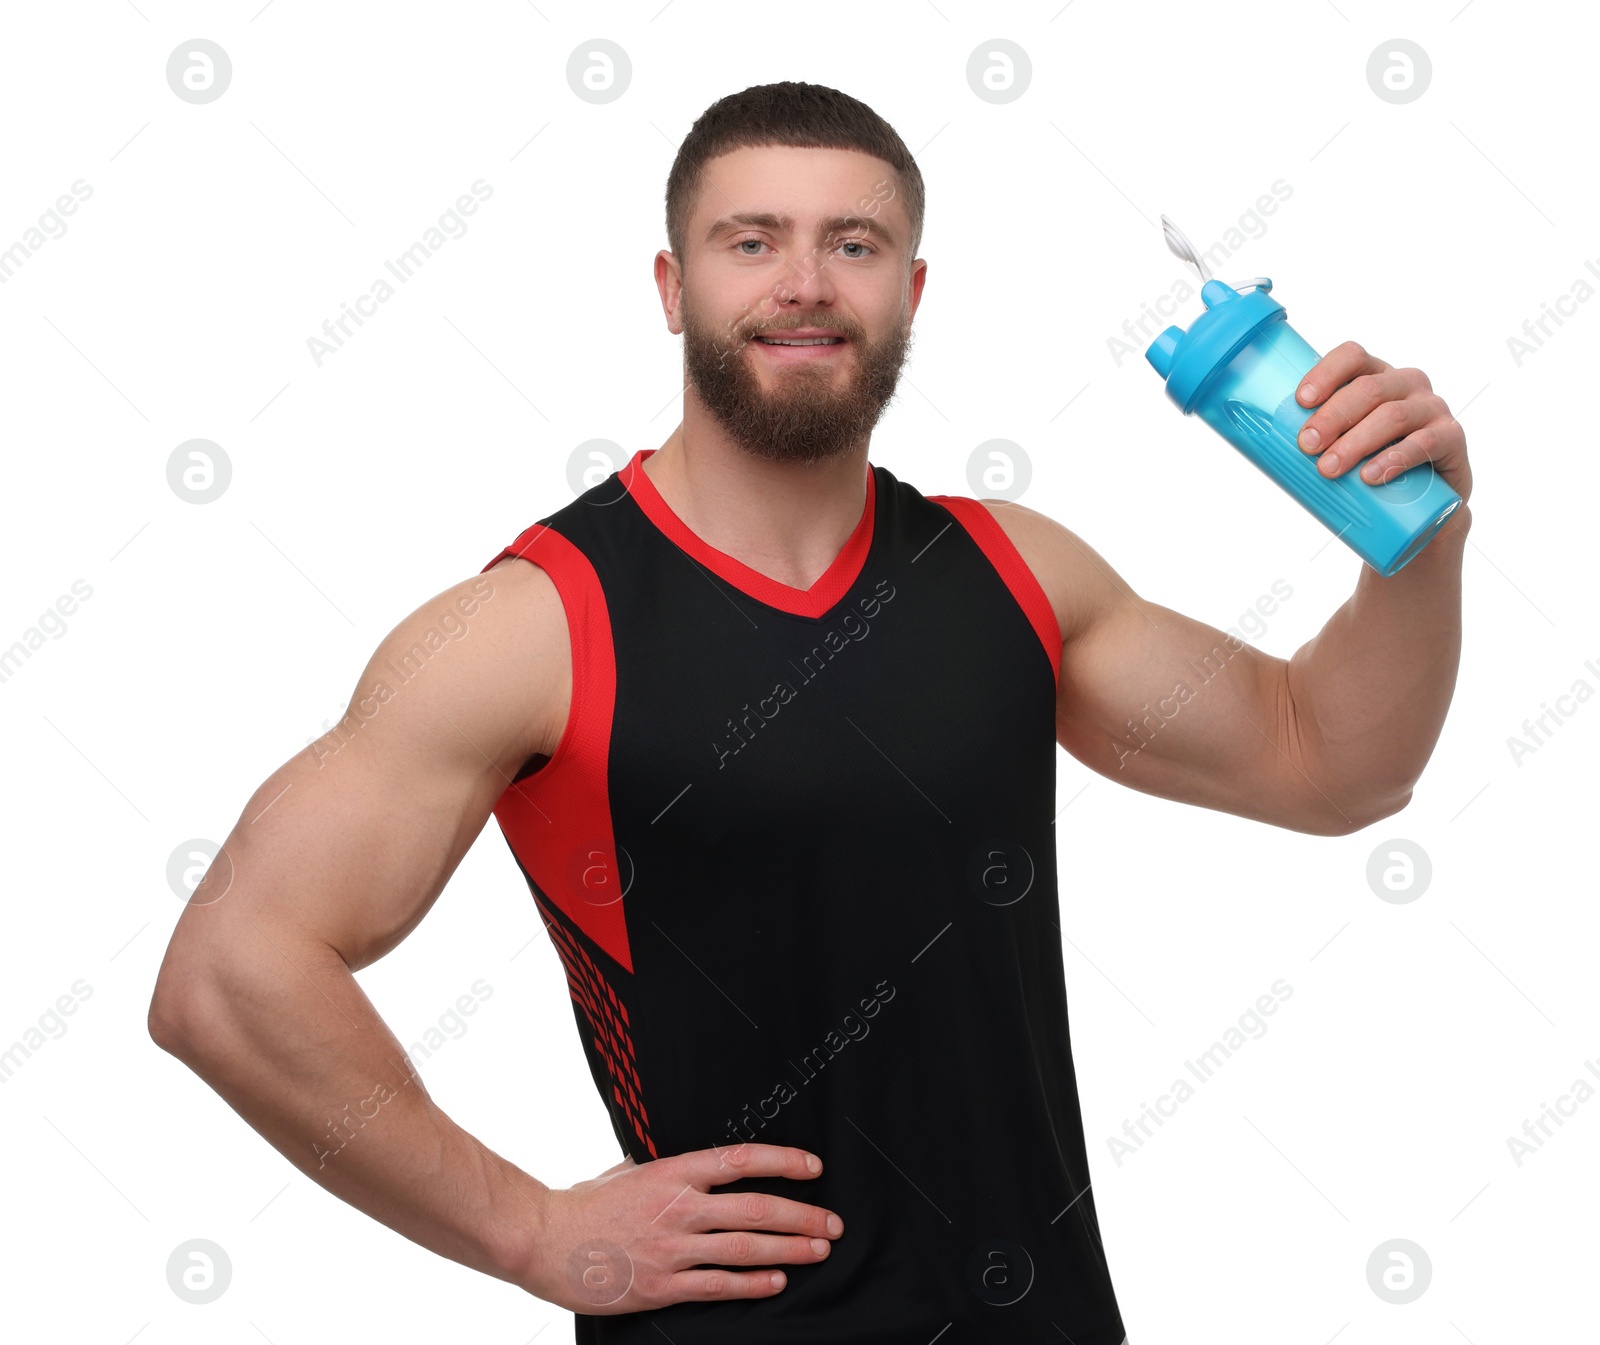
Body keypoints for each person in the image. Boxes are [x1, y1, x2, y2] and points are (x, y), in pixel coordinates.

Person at [148, 81, 1473, 1344]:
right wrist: (530, 1229)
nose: (803, 282)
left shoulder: (1015, 572)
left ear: (910, 289)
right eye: (750, 240)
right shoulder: (531, 629)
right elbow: (230, 972)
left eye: (854, 241)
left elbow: (1331, 762)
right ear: (673, 290)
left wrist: (1418, 532)